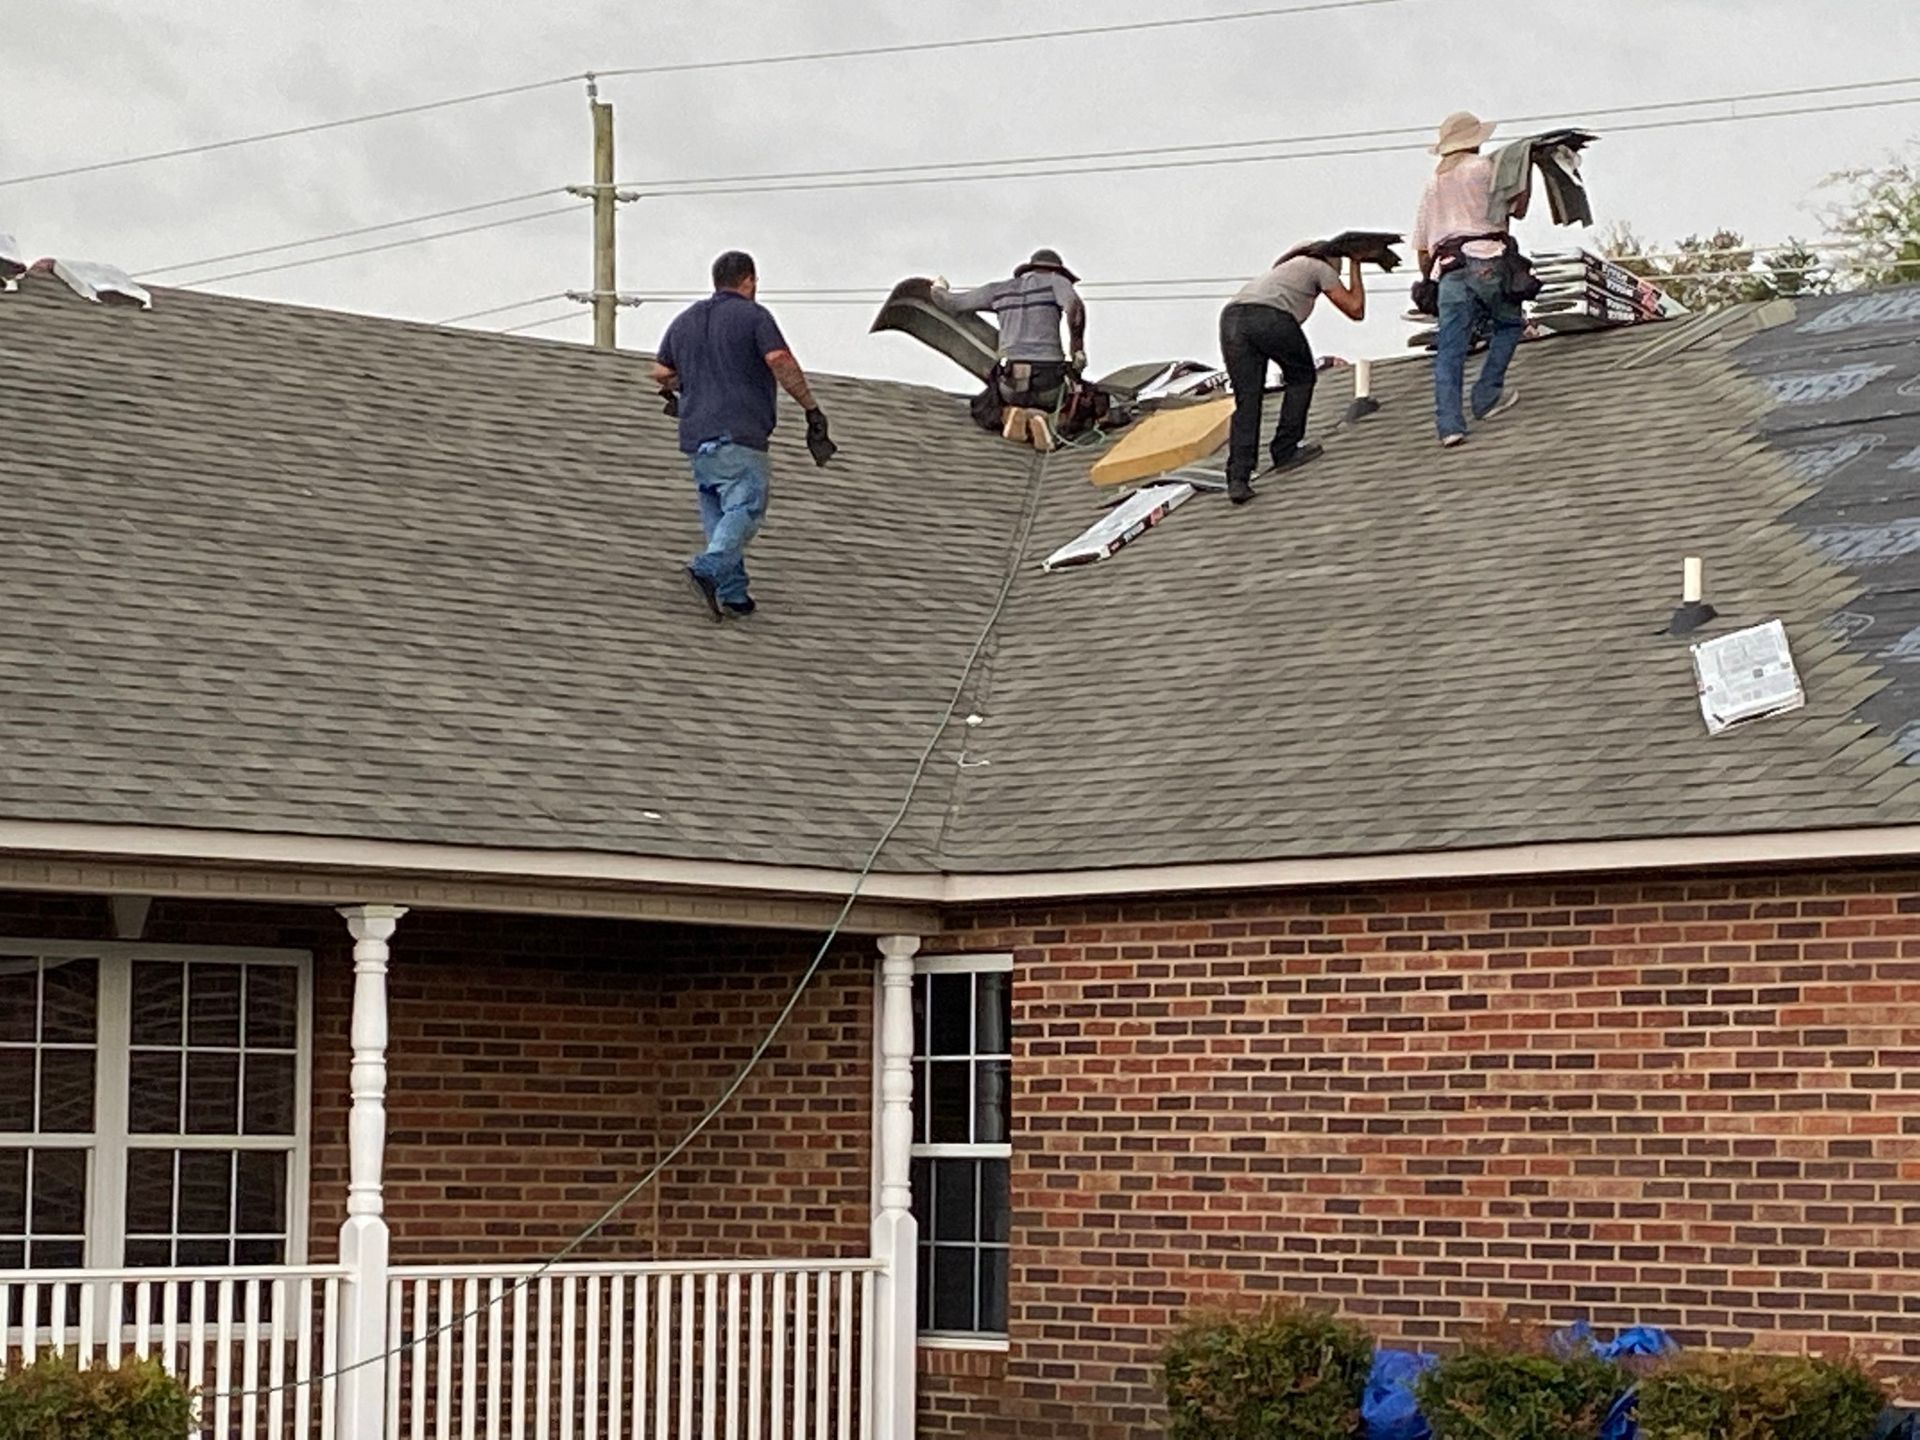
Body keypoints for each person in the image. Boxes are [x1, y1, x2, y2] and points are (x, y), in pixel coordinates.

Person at [653, 250, 835, 621]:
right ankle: (707, 570)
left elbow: (660, 372)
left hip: (696, 437)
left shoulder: (685, 320)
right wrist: (811, 408)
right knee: (746, 507)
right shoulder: (754, 317)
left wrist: (689, 383)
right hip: (739, 433)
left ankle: (733, 593)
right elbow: (779, 361)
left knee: (719, 515)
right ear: (748, 280)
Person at [1413, 111, 1529, 448]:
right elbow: (1516, 209)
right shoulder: (1483, 169)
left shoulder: (1433, 184)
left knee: (1450, 348)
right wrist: (1527, 172)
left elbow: (1422, 246)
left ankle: (1449, 425)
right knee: (1508, 325)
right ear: (1474, 141)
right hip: (1487, 259)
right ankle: (1487, 395)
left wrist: (1428, 282)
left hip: (1449, 270)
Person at [1218, 248, 1366, 506]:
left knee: (1247, 399)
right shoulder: (1319, 267)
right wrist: (1356, 263)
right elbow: (1355, 309)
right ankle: (1285, 450)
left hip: (1231, 319)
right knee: (1301, 376)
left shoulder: (1279, 274)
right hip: (1269, 316)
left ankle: (1238, 478)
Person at [933, 248, 1087, 450]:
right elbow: (1074, 308)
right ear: (1056, 270)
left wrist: (938, 287)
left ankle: (1012, 416)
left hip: (1010, 383)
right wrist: (1077, 349)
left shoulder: (998, 290)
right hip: (1048, 382)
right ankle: (1043, 424)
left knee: (986, 405)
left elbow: (951, 303)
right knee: (1077, 401)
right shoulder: (1056, 281)